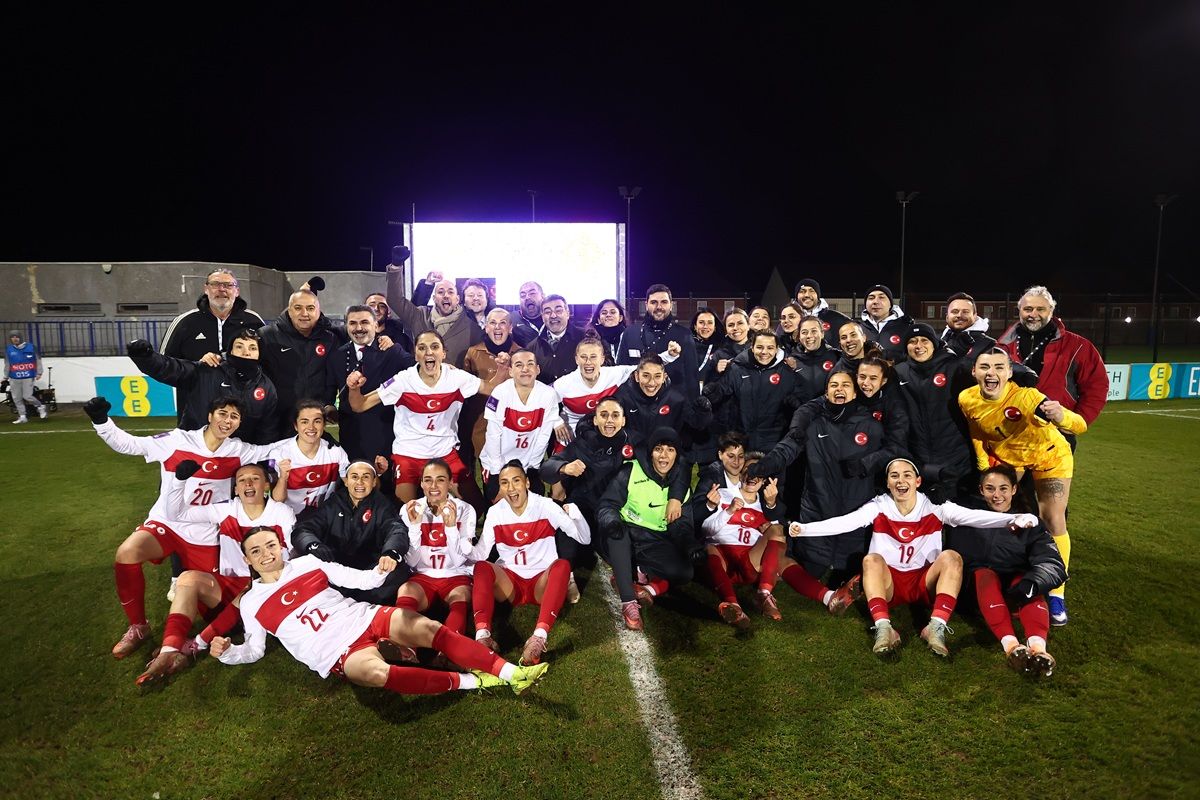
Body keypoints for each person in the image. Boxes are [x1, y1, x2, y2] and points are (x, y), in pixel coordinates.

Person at [210, 528, 549, 696]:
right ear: (248, 560)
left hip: (364, 615)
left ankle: (509, 674)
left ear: (280, 547)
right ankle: (470, 682)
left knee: (426, 628)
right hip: (336, 652)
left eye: (270, 545)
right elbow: (253, 650)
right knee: (377, 675)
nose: (266, 553)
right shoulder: (252, 602)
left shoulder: (308, 564)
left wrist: (382, 567)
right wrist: (228, 654)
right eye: (256, 550)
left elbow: (358, 580)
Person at [84, 395, 274, 660]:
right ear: (209, 416)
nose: (227, 421)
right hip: (168, 522)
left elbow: (275, 450)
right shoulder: (177, 440)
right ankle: (139, 627)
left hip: (205, 531)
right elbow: (129, 444)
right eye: (222, 413)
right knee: (127, 552)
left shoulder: (238, 450)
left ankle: (193, 638)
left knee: (215, 603)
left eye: (234, 417)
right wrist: (101, 422)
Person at [790, 458, 1039, 658]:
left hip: (924, 581)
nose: (901, 480)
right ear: (887, 483)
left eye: (907, 475)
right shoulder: (878, 506)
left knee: (952, 557)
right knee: (870, 560)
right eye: (894, 476)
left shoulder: (935, 507)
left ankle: (936, 627)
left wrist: (1012, 519)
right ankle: (885, 629)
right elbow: (846, 523)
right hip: (891, 583)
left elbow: (974, 516)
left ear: (918, 481)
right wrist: (806, 529)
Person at [135, 460, 297, 684]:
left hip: (266, 595)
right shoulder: (226, 509)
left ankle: (195, 646)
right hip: (228, 589)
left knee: (249, 591)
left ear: (266, 485)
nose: (248, 483)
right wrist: (179, 481)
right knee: (187, 578)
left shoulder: (281, 513)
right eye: (242, 480)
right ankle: (169, 650)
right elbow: (176, 513)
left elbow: (286, 563)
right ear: (236, 489)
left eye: (255, 478)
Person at [960, 347, 1087, 626]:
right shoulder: (966, 398)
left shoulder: (1027, 397)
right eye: (984, 367)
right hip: (1011, 461)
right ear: (974, 372)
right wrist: (984, 467)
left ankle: (1056, 593)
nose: (991, 373)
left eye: (998, 367)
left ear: (1008, 373)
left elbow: (1080, 425)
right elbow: (977, 433)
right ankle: (1005, 574)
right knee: (999, 512)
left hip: (1049, 456)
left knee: (1052, 519)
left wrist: (1061, 415)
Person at [749, 371, 892, 595]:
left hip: (853, 508)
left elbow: (891, 453)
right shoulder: (813, 423)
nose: (839, 389)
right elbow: (788, 448)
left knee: (852, 570)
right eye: (833, 385)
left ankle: (847, 575)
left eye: (845, 385)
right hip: (818, 506)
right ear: (826, 393)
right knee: (809, 567)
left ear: (855, 394)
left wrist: (866, 463)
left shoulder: (871, 426)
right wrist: (766, 464)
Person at [944, 465, 1065, 678]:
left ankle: (1040, 650)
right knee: (984, 574)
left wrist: (1033, 583)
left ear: (1014, 490)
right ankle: (1011, 647)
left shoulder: (1030, 522)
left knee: (1027, 581)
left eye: (1003, 488)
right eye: (990, 489)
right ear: (981, 490)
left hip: (1015, 591)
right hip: (978, 592)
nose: (997, 495)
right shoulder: (966, 518)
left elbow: (1052, 562)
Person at [471, 461, 591, 665]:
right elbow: (480, 554)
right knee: (482, 567)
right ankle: (483, 636)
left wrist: (577, 516)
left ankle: (538, 638)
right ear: (499, 487)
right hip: (510, 585)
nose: (511, 488)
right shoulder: (495, 512)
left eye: (516, 481)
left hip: (540, 585)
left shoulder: (545, 506)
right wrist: (455, 536)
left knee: (562, 566)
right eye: (504, 483)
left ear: (527, 483)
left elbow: (584, 538)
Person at [346, 330, 481, 503]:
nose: (429, 352)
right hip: (408, 454)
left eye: (434, 347)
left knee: (476, 504)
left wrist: (504, 372)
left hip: (445, 452)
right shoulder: (402, 381)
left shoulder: (457, 378)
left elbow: (493, 390)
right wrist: (354, 388)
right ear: (415, 355)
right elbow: (359, 405)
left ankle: (446, 528)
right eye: (422, 348)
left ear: (443, 353)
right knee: (405, 513)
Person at [596, 427, 697, 631]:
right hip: (624, 534)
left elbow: (683, 523)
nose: (664, 456)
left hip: (654, 541)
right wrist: (612, 522)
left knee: (685, 572)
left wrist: (690, 545)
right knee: (618, 534)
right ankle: (628, 602)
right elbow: (606, 506)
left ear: (677, 454)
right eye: (659, 449)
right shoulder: (630, 471)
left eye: (670, 450)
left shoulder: (681, 483)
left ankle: (638, 574)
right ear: (651, 451)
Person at [290, 460, 412, 605]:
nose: (360, 482)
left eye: (366, 477)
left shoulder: (382, 504)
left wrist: (391, 552)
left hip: (370, 570)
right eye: (354, 477)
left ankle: (367, 607)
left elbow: (396, 529)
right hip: (337, 569)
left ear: (374, 482)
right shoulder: (334, 502)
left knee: (398, 571)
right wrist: (313, 545)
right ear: (346, 481)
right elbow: (304, 529)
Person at [126, 329, 280, 444]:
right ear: (230, 351)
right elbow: (170, 368)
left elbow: (267, 430)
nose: (246, 352)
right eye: (239, 346)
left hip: (236, 460)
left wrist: (265, 465)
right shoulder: (207, 369)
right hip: (194, 451)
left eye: (252, 348)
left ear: (259, 353)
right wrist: (145, 357)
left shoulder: (266, 387)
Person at [392, 459, 479, 661]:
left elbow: (459, 561)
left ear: (450, 483)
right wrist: (415, 527)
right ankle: (407, 648)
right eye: (428, 480)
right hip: (422, 576)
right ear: (420, 483)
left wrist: (450, 528)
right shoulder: (409, 509)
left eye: (440, 480)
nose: (433, 486)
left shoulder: (465, 510)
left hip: (455, 575)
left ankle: (448, 651)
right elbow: (412, 562)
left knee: (461, 597)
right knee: (405, 591)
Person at [158, 268, 264, 424]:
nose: (222, 289)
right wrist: (197, 367)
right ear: (206, 289)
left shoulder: (253, 321)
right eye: (215, 284)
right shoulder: (185, 322)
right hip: (196, 415)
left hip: (241, 414)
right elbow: (164, 364)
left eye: (228, 285)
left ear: (237, 291)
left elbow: (266, 361)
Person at [996, 285, 1109, 431]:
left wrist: (1077, 420)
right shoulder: (1002, 346)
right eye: (1028, 309)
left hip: (1057, 431)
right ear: (1020, 311)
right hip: (1010, 429)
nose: (1033, 314)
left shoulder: (1078, 346)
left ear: (1051, 310)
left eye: (1040, 309)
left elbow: (1096, 386)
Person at [893, 323, 975, 503]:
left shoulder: (954, 366)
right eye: (912, 341)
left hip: (957, 459)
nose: (918, 346)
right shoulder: (899, 373)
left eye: (924, 340)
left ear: (934, 344)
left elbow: (989, 370)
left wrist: (1022, 373)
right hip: (920, 461)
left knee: (959, 519)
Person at [327, 304, 413, 463]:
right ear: (346, 326)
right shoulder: (337, 356)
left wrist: (443, 367)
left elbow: (417, 369)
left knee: (386, 485)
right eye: (353, 323)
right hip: (351, 436)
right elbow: (329, 390)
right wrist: (328, 407)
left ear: (375, 325)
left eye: (364, 322)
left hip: (386, 433)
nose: (358, 328)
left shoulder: (393, 351)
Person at [702, 330, 802, 453]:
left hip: (774, 443)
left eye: (770, 347)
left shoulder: (786, 371)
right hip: (743, 441)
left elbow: (798, 401)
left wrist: (796, 404)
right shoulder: (737, 368)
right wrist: (710, 391)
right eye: (759, 347)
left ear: (777, 349)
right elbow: (721, 390)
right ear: (752, 348)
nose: (764, 352)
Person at [258, 288, 343, 430]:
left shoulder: (329, 339)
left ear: (318, 311)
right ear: (289, 311)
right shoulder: (268, 335)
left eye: (310, 308)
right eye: (298, 308)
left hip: (314, 418)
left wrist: (327, 404)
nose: (304, 313)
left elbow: (331, 376)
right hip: (277, 419)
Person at [480, 349, 560, 501]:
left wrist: (533, 466)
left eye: (530, 364)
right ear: (510, 371)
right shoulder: (500, 393)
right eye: (519, 365)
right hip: (497, 461)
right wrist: (497, 470)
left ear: (537, 369)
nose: (525, 369)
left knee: (535, 497)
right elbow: (492, 434)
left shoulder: (548, 394)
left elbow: (544, 434)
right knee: (496, 502)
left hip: (528, 461)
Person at [600, 353, 712, 450]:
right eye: (646, 376)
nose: (651, 383)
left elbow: (697, 424)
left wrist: (704, 411)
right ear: (637, 376)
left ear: (664, 377)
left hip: (663, 458)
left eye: (657, 376)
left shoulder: (675, 399)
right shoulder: (621, 397)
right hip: (632, 457)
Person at [461, 309, 519, 485]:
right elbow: (466, 392)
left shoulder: (521, 353)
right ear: (486, 327)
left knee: (514, 476)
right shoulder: (473, 353)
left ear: (510, 328)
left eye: (503, 323)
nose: (497, 327)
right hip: (482, 427)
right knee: (490, 479)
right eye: (493, 323)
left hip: (514, 426)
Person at [616, 283, 701, 400]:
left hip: (673, 407)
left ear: (671, 305)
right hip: (635, 405)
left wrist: (692, 411)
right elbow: (620, 373)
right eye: (654, 302)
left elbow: (692, 377)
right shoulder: (630, 333)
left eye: (664, 302)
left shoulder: (684, 335)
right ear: (646, 305)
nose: (659, 306)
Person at [385, 268, 483, 365]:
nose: (446, 295)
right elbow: (395, 300)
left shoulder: (473, 329)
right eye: (440, 292)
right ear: (434, 298)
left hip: (456, 380)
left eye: (450, 292)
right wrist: (396, 268)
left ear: (457, 299)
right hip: (422, 379)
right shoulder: (419, 315)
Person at [269, 401, 349, 515]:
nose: (311, 427)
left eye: (317, 421)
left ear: (324, 425)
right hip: (291, 518)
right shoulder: (279, 454)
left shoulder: (336, 451)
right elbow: (277, 501)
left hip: (324, 518)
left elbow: (351, 483)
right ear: (296, 426)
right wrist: (283, 478)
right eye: (304, 422)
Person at [551, 338, 635, 436]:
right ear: (576, 359)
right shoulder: (564, 384)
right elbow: (541, 398)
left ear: (602, 359)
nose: (588, 362)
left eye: (593, 357)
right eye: (583, 357)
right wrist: (556, 421)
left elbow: (644, 367)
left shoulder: (614, 374)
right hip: (571, 437)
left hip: (604, 435)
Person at [531, 294, 587, 384]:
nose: (553, 315)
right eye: (547, 312)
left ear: (568, 313)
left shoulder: (585, 339)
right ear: (542, 317)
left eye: (558, 310)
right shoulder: (532, 348)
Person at [790, 316, 840, 403]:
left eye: (814, 331)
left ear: (822, 334)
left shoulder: (836, 356)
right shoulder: (792, 360)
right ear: (799, 336)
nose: (809, 336)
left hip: (828, 414)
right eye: (804, 332)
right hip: (802, 414)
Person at [858, 284, 913, 362]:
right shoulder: (857, 328)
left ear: (890, 304)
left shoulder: (906, 327)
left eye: (881, 297)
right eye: (871, 298)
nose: (875, 302)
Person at [794, 277, 852, 349]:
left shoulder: (837, 319)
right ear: (796, 296)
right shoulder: (788, 321)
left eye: (811, 291)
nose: (807, 295)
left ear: (818, 295)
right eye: (802, 291)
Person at [940, 292, 996, 363]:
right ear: (947, 317)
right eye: (955, 311)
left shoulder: (989, 344)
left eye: (965, 312)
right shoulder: (936, 341)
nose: (959, 315)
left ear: (975, 316)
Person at [5, 329, 47, 423]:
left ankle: (40, 406)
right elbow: (7, 363)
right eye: (12, 337)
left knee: (27, 396)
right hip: (14, 376)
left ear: (20, 337)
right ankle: (23, 416)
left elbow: (38, 360)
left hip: (28, 375)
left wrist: (39, 372)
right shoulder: (9, 349)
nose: (15, 339)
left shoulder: (31, 347)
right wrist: (6, 375)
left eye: (16, 336)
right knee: (17, 398)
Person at [365, 290, 415, 355]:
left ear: (388, 312)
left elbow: (411, 362)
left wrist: (394, 348)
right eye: (371, 305)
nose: (376, 309)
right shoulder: (353, 335)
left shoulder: (402, 339)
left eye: (382, 306)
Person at [587, 298, 627, 365]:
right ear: (599, 319)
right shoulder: (590, 339)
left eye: (613, 312)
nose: (608, 315)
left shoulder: (629, 338)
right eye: (604, 313)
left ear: (620, 318)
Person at [712, 308, 751, 376]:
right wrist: (717, 371)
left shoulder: (758, 350)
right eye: (731, 325)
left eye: (740, 323)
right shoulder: (718, 354)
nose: (735, 328)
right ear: (726, 330)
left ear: (748, 326)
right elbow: (710, 382)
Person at [691, 308, 722, 388]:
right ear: (695, 326)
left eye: (710, 323)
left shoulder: (720, 348)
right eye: (701, 322)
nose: (705, 326)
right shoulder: (685, 345)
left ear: (715, 327)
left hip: (710, 394)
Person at [511, 281, 546, 346]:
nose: (527, 297)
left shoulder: (552, 317)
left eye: (532, 293)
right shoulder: (511, 319)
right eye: (523, 295)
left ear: (543, 296)